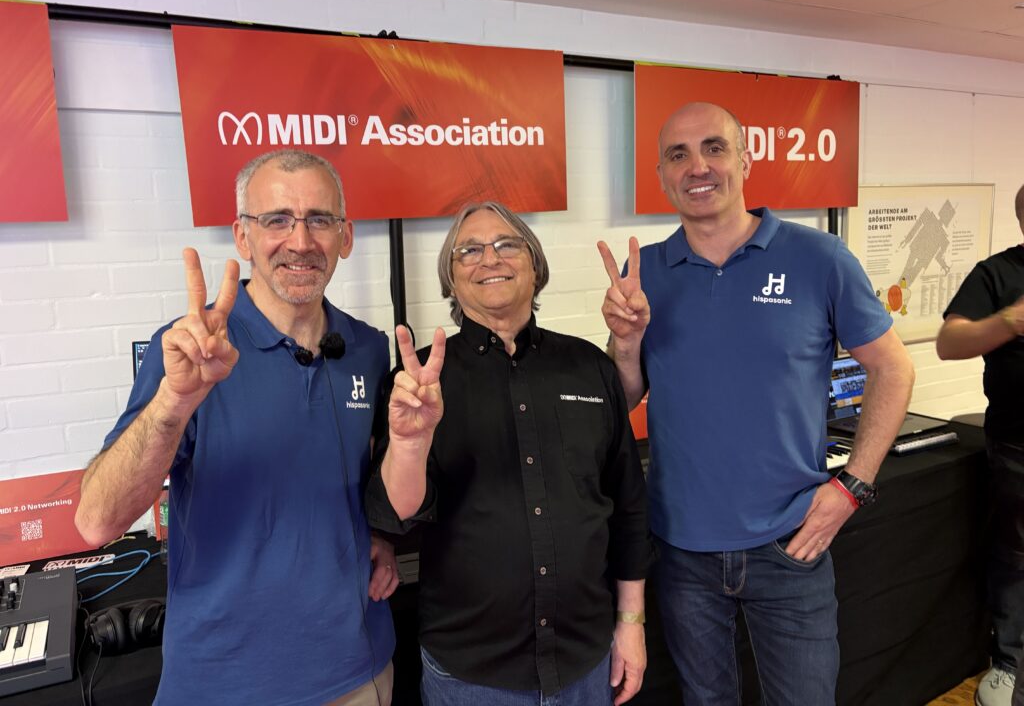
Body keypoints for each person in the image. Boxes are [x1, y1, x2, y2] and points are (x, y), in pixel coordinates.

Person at [598, 102, 915, 704]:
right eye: (678, 155)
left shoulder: (818, 258)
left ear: (745, 159)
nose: (698, 166)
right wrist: (626, 341)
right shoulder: (647, 277)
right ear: (663, 177)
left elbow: (893, 369)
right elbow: (623, 400)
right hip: (682, 549)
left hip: (792, 544)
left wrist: (854, 486)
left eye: (714, 148)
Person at [75, 150, 401, 706]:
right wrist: (174, 403)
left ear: (345, 236)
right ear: (242, 238)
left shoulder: (367, 349)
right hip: (224, 680)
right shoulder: (190, 350)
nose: (300, 241)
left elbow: (369, 478)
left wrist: (378, 535)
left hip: (357, 670)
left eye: (319, 219)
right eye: (276, 219)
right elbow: (95, 521)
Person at [366, 201, 653, 706]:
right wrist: (410, 444)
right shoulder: (420, 384)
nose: (489, 258)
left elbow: (627, 506)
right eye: (468, 251)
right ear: (451, 281)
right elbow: (397, 516)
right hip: (471, 672)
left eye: (506, 245)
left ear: (534, 264)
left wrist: (631, 622)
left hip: (584, 660)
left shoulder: (589, 366)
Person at [936, 183, 1024, 706]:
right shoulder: (997, 274)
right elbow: (949, 343)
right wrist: (1009, 322)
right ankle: (1009, 662)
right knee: (1016, 553)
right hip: (1018, 443)